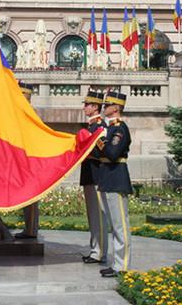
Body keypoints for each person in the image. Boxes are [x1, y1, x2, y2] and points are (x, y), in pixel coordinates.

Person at [96, 91, 133, 278]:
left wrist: (100, 140)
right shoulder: (109, 129)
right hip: (106, 178)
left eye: (107, 104)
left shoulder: (120, 129)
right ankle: (117, 263)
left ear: (116, 108)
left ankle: (123, 265)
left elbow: (112, 153)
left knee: (120, 225)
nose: (104, 108)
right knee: (113, 224)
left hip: (116, 178)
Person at [79, 89, 107, 264]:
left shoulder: (100, 127)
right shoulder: (90, 126)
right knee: (92, 215)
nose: (84, 107)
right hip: (89, 175)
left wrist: (85, 148)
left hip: (97, 175)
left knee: (98, 216)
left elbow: (101, 152)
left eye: (87, 105)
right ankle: (95, 249)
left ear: (95, 107)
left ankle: (100, 252)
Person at [14, 82, 39, 239]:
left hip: (29, 161)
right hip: (23, 160)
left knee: (30, 197)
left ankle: (31, 230)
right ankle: (29, 228)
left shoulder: (28, 113)